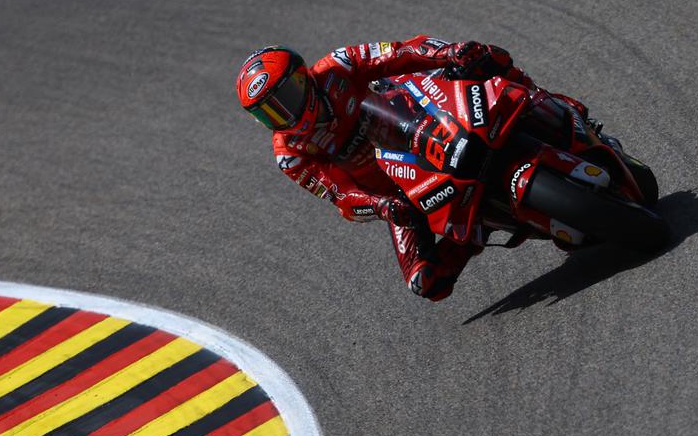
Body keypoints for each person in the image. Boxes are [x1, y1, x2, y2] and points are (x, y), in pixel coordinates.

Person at [235, 36, 592, 301]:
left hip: (419, 120)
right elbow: (339, 194)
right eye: (270, 113)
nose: (285, 115)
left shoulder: (337, 66)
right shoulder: (290, 154)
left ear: (303, 78)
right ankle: (473, 232)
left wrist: (447, 53)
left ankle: (551, 104)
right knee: (426, 282)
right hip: (400, 193)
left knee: (481, 58)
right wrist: (381, 206)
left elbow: (401, 52)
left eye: (286, 99)